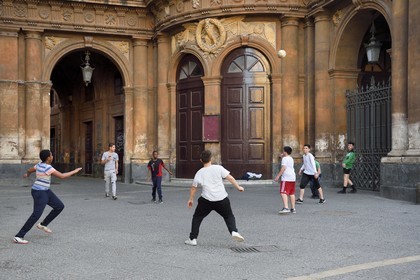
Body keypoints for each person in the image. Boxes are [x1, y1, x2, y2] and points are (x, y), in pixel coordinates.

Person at [13, 149, 82, 244]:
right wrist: (74, 171)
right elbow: (62, 176)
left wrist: (27, 174)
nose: (52, 156)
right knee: (36, 214)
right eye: (51, 155)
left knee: (59, 206)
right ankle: (19, 236)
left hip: (45, 191)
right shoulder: (48, 168)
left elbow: (30, 170)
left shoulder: (39, 165)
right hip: (39, 192)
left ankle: (43, 224)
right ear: (48, 158)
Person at [185, 150, 245, 246]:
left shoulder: (199, 173)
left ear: (201, 160)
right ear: (211, 159)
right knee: (228, 216)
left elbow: (193, 188)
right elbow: (230, 178)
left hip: (206, 200)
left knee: (197, 217)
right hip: (221, 198)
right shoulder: (218, 168)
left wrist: (191, 199)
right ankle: (234, 231)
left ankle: (193, 239)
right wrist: (238, 187)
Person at [274, 146, 297, 214]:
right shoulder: (291, 158)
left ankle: (286, 207)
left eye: (283, 151)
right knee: (291, 193)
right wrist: (282, 157)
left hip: (286, 177)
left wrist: (278, 176)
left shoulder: (284, 159)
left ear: (285, 152)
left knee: (283, 192)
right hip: (292, 177)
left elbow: (283, 168)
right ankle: (293, 208)